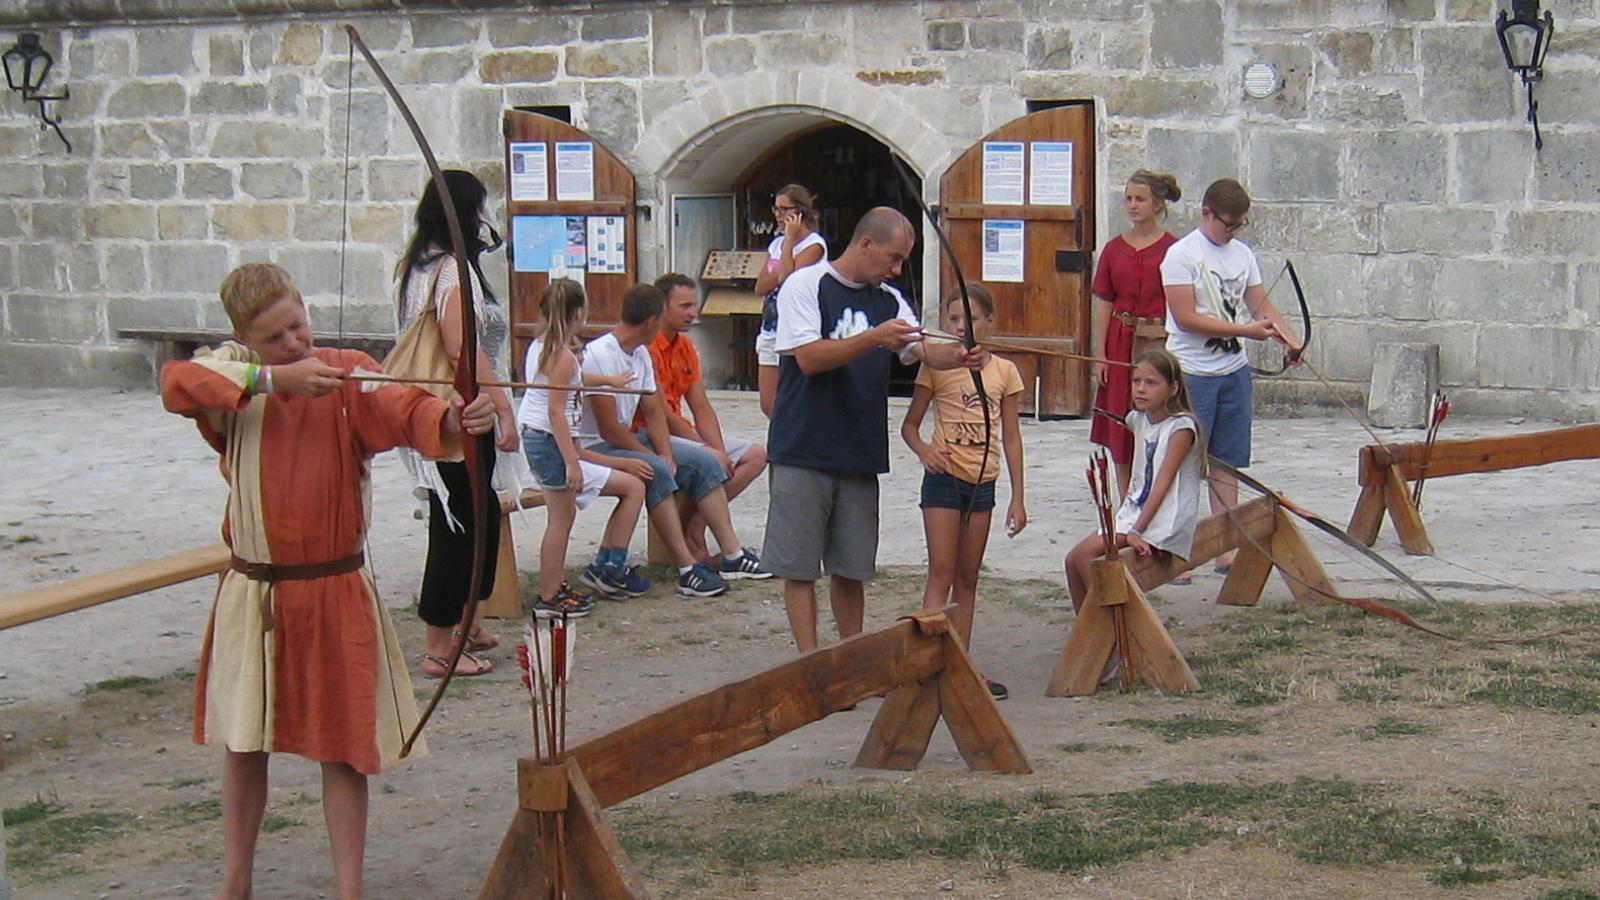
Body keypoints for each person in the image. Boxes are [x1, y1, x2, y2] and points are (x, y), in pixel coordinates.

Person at [162, 262, 499, 900]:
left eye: (297, 325)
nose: (295, 342)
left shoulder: (344, 373)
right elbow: (178, 381)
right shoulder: (234, 381)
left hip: (334, 587)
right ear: (247, 340)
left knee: (345, 747)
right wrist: (273, 379)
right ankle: (236, 883)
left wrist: (461, 420)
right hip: (255, 590)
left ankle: (350, 890)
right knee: (244, 740)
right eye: (276, 338)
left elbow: (409, 409)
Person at [766, 207, 985, 654]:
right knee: (800, 567)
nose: (897, 268)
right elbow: (808, 358)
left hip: (859, 450)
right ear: (865, 244)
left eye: (903, 260)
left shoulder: (888, 300)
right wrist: (873, 338)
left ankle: (850, 662)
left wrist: (962, 355)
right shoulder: (805, 285)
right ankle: (811, 664)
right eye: (893, 257)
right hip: (803, 445)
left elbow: (923, 349)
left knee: (852, 568)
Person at [393, 170, 522, 678]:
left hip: (448, 407)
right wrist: (502, 406)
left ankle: (465, 623)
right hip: (457, 410)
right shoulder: (448, 270)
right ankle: (436, 646)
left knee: (478, 511)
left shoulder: (416, 265)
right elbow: (459, 347)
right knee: (457, 524)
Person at [578, 283, 773, 597]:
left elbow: (654, 410)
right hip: (596, 444)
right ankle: (686, 568)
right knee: (657, 468)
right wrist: (654, 456)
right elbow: (609, 429)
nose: (692, 314)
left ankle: (732, 554)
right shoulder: (600, 355)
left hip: (628, 438)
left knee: (703, 461)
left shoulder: (639, 352)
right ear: (652, 321)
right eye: (684, 306)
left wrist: (667, 452)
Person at [1160, 177, 1300, 573]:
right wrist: (1247, 332)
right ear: (1206, 213)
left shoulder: (1243, 254)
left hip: (1232, 371)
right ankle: (1174, 549)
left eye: (1240, 225)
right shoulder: (1180, 255)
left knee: (1227, 462)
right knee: (1185, 462)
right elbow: (1186, 319)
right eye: (1228, 224)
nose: (1233, 231)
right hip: (1191, 372)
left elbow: (1260, 305)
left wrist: (1288, 341)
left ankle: (1225, 548)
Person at [900, 283, 1028, 700]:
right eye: (954, 320)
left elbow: (1011, 436)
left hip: (983, 483)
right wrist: (924, 452)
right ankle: (924, 666)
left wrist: (1018, 496)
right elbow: (910, 426)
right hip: (944, 479)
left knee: (968, 578)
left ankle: (960, 665)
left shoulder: (1004, 372)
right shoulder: (935, 366)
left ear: (990, 322)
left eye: (971, 319)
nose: (962, 328)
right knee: (941, 572)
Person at [1064, 348, 1203, 685]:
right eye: (1136, 381)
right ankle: (1096, 634)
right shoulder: (1137, 419)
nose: (1141, 389)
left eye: (1151, 383)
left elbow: (1163, 484)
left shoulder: (1182, 428)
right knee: (1073, 561)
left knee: (1087, 559)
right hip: (1137, 514)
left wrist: (1137, 530)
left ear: (1173, 388)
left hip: (1162, 521)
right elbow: (1113, 411)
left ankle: (1109, 643)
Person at [519, 278, 653, 612]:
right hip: (550, 441)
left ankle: (565, 581)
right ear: (579, 313)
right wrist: (572, 462)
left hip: (542, 438)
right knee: (561, 520)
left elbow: (571, 379)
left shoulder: (544, 347)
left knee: (568, 515)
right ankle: (550, 595)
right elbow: (556, 412)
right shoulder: (561, 355)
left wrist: (608, 380)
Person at [640, 272, 770, 561]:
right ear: (662, 307)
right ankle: (725, 550)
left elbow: (701, 407)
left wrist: (719, 450)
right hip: (652, 433)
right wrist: (710, 451)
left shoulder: (685, 347)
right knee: (711, 460)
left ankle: (696, 523)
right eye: (684, 306)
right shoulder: (647, 347)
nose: (692, 313)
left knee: (756, 455)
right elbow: (659, 413)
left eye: (694, 305)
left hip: (680, 430)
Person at [1090, 169, 1182, 497]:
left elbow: (1181, 300)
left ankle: (1157, 494)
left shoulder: (1174, 249)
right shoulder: (1114, 249)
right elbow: (1104, 302)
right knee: (1120, 419)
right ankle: (1127, 497)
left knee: (1159, 415)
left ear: (1157, 204)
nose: (1132, 205)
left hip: (1158, 342)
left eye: (1139, 199)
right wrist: (1100, 354)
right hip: (1120, 342)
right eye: (1128, 198)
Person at [752, 184, 827, 418]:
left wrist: (790, 243)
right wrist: (784, 254)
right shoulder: (775, 244)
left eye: (784, 210)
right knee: (769, 403)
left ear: (800, 212)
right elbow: (760, 286)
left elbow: (787, 278)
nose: (778, 216)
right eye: (776, 210)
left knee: (793, 399)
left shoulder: (814, 245)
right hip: (771, 326)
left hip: (795, 329)